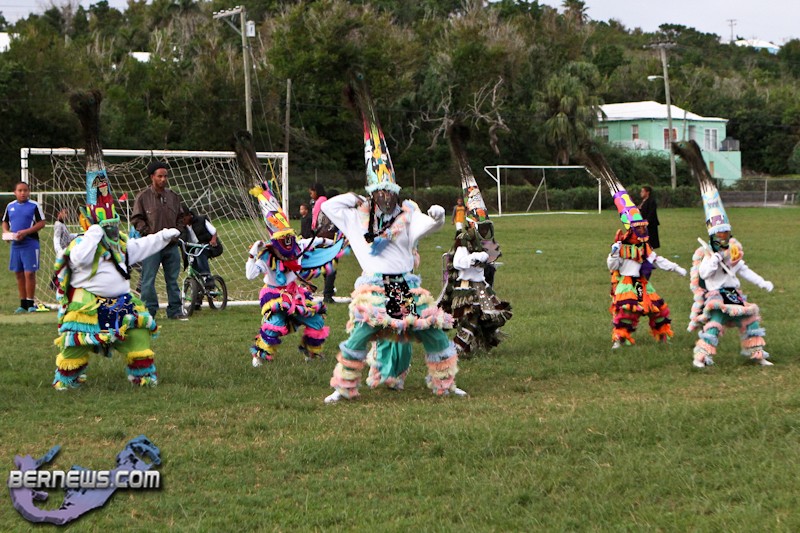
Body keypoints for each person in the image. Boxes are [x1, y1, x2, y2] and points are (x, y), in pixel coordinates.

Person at [322, 76, 465, 403]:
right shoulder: (357, 218)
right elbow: (330, 207)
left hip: (404, 286)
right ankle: (343, 388)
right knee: (359, 337)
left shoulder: (407, 215)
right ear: (373, 194)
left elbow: (428, 225)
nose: (386, 197)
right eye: (380, 192)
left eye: (390, 191)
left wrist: (438, 216)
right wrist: (354, 197)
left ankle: (445, 384)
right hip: (374, 288)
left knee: (432, 333)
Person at [53, 89, 179, 390]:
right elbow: (78, 259)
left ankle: (142, 376)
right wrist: (94, 234)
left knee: (138, 333)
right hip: (88, 307)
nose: (111, 227)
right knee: (76, 344)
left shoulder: (120, 244)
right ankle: (68, 379)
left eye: (113, 223)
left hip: (121, 304)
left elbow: (140, 246)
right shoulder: (82, 242)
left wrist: (164, 235)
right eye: (105, 223)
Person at [674, 140, 774, 368]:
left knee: (750, 319)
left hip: (733, 294)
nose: (724, 237)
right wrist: (716, 258)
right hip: (717, 295)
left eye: (727, 233)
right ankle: (702, 356)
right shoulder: (708, 253)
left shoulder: (733, 251)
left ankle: (756, 353)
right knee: (715, 323)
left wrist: (762, 282)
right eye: (720, 234)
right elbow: (704, 273)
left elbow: (743, 270)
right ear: (713, 235)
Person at [582, 150, 686, 349]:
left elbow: (657, 260)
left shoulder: (644, 247)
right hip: (626, 283)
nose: (642, 231)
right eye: (639, 228)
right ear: (632, 230)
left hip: (641, 283)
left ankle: (663, 337)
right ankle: (619, 339)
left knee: (656, 308)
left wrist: (676, 268)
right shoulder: (622, 246)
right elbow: (612, 266)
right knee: (627, 310)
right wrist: (614, 252)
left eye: (643, 228)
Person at [438, 126, 511, 357]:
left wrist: (487, 259)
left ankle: (473, 344)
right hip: (466, 287)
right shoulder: (464, 240)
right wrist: (476, 258)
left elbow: (490, 259)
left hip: (481, 285)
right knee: (469, 317)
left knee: (488, 317)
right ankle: (457, 348)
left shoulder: (484, 241)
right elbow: (458, 262)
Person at [131, 161, 187, 320]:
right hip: (151, 246)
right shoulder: (143, 197)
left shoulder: (173, 196)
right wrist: (148, 234)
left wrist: (177, 232)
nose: (163, 179)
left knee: (173, 280)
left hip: (171, 245)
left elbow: (181, 217)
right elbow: (136, 219)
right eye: (160, 176)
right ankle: (149, 312)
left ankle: (175, 311)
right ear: (152, 177)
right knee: (148, 280)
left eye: (165, 176)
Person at [2, 181, 46, 313]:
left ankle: (31, 303)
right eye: (20, 190)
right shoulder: (10, 206)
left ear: (29, 192)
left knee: (29, 273)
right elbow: (5, 222)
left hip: (30, 243)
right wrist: (6, 233)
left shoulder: (34, 206)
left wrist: (26, 232)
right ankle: (23, 304)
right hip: (16, 245)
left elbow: (42, 223)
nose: (23, 193)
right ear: (15, 192)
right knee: (19, 273)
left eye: (25, 190)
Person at [179, 208, 219, 288]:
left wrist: (213, 240)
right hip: (192, 248)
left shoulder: (201, 220)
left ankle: (207, 276)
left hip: (207, 246)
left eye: (184, 218)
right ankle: (197, 290)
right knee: (193, 265)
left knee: (198, 251)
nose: (182, 221)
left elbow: (214, 231)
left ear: (189, 215)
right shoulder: (182, 227)